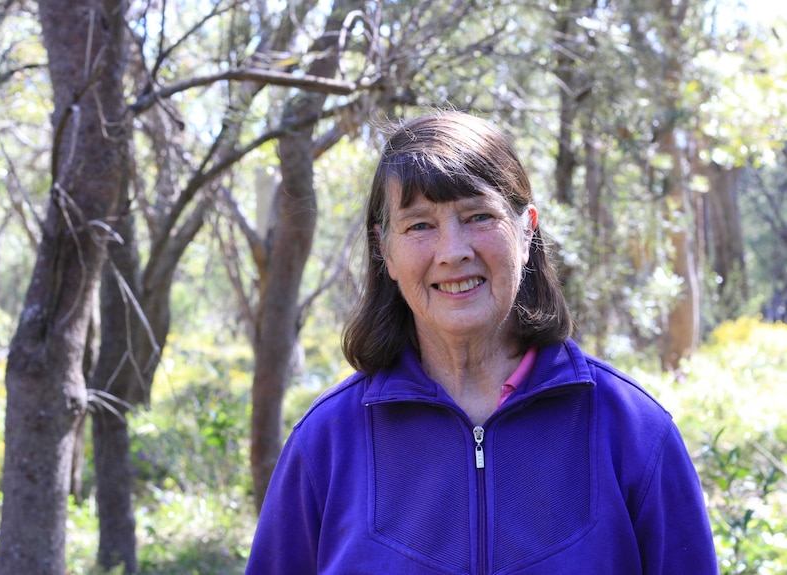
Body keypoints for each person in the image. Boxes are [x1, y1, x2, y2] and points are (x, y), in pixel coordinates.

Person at [245, 111, 719, 574]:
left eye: (477, 216)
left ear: (526, 230)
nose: (453, 252)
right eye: (419, 225)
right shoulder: (326, 442)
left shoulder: (632, 431)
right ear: (384, 249)